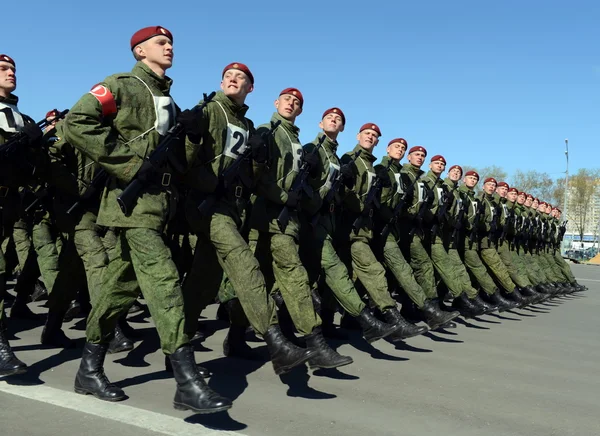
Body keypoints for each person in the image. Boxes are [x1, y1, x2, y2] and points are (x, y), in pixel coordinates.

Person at [63, 26, 231, 413]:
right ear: (140, 51)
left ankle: (88, 369)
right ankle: (186, 379)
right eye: (160, 42)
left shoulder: (168, 99)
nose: (169, 46)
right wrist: (129, 164)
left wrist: (190, 138)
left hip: (159, 206)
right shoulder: (120, 86)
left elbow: (182, 163)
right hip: (131, 203)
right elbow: (76, 122)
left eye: (171, 42)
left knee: (117, 288)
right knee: (164, 280)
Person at [179, 63, 316, 375]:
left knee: (203, 282)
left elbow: (251, 177)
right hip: (207, 205)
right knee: (244, 263)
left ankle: (178, 343)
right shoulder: (209, 110)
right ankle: (275, 341)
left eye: (240, 77)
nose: (233, 79)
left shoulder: (248, 124)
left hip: (233, 208)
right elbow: (185, 160)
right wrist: (206, 179)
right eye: (228, 75)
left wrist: (255, 160)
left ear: (250, 88)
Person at [248, 89, 352, 369]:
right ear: (276, 103)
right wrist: (287, 198)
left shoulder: (294, 139)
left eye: (297, 102)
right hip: (270, 216)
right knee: (292, 276)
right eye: (287, 100)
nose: (291, 103)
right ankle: (314, 342)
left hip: (289, 220)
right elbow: (258, 177)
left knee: (264, 281)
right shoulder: (269, 132)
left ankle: (236, 336)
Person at [300, 109, 403, 344]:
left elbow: (343, 193)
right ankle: (377, 317)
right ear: (357, 136)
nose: (370, 137)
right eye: (367, 133)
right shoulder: (340, 156)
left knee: (332, 275)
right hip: (330, 224)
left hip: (338, 224)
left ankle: (326, 323)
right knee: (325, 273)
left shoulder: (341, 158)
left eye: (374, 135)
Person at [339, 124, 428, 339]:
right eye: (396, 146)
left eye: (402, 148)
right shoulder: (374, 167)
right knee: (367, 271)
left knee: (362, 273)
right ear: (387, 149)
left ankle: (353, 319)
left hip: (374, 229)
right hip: (360, 227)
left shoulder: (394, 173)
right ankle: (401, 314)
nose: (399, 150)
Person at [375, 144, 459, 329]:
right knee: (408, 268)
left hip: (412, 229)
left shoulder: (418, 179)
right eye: (416, 154)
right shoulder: (400, 174)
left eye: (422, 155)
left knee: (405, 269)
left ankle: (414, 308)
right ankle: (428, 309)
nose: (420, 157)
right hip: (393, 227)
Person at [0, 53, 41, 376]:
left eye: (13, 68)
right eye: (2, 69)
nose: (10, 73)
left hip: (10, 202)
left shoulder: (18, 115)